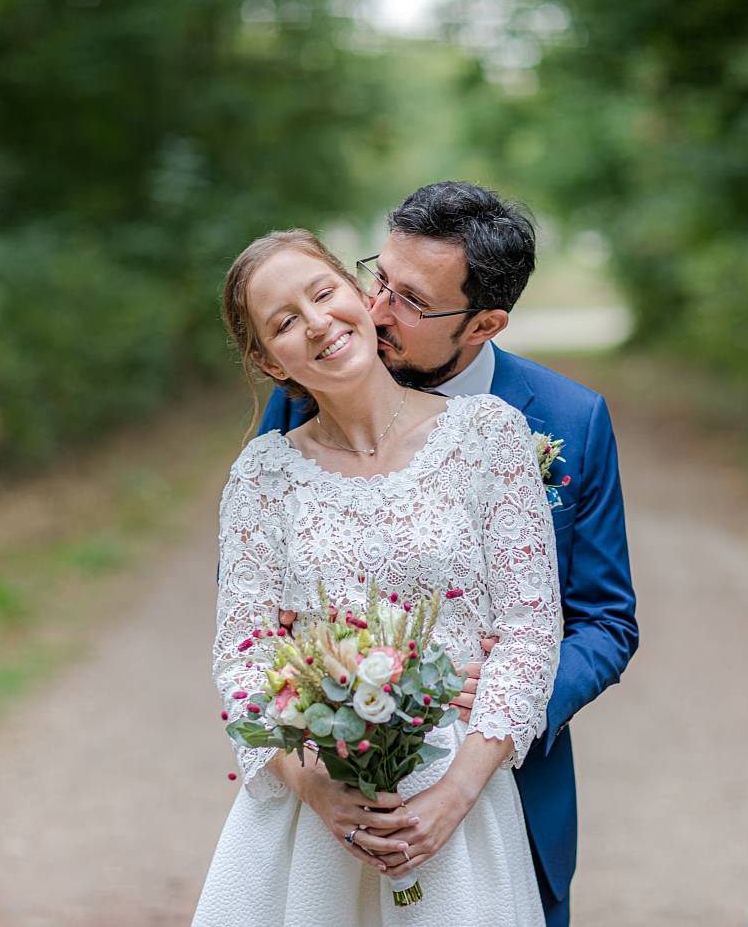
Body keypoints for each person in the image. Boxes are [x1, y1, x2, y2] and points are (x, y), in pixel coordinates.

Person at [257, 182, 639, 927]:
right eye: (379, 279)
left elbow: (607, 622)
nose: (375, 311)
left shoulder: (570, 420)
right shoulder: (309, 395)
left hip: (509, 792)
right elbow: (256, 606)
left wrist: (510, 695)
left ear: (484, 323)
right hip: (344, 782)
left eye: (411, 301)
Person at [193, 228, 562, 926]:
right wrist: (316, 789)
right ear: (268, 361)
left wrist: (453, 795)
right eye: (284, 323)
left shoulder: (489, 437)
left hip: (459, 798)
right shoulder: (262, 477)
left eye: (323, 293)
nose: (316, 323)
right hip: (320, 809)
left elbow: (529, 630)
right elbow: (242, 657)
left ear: (361, 294)